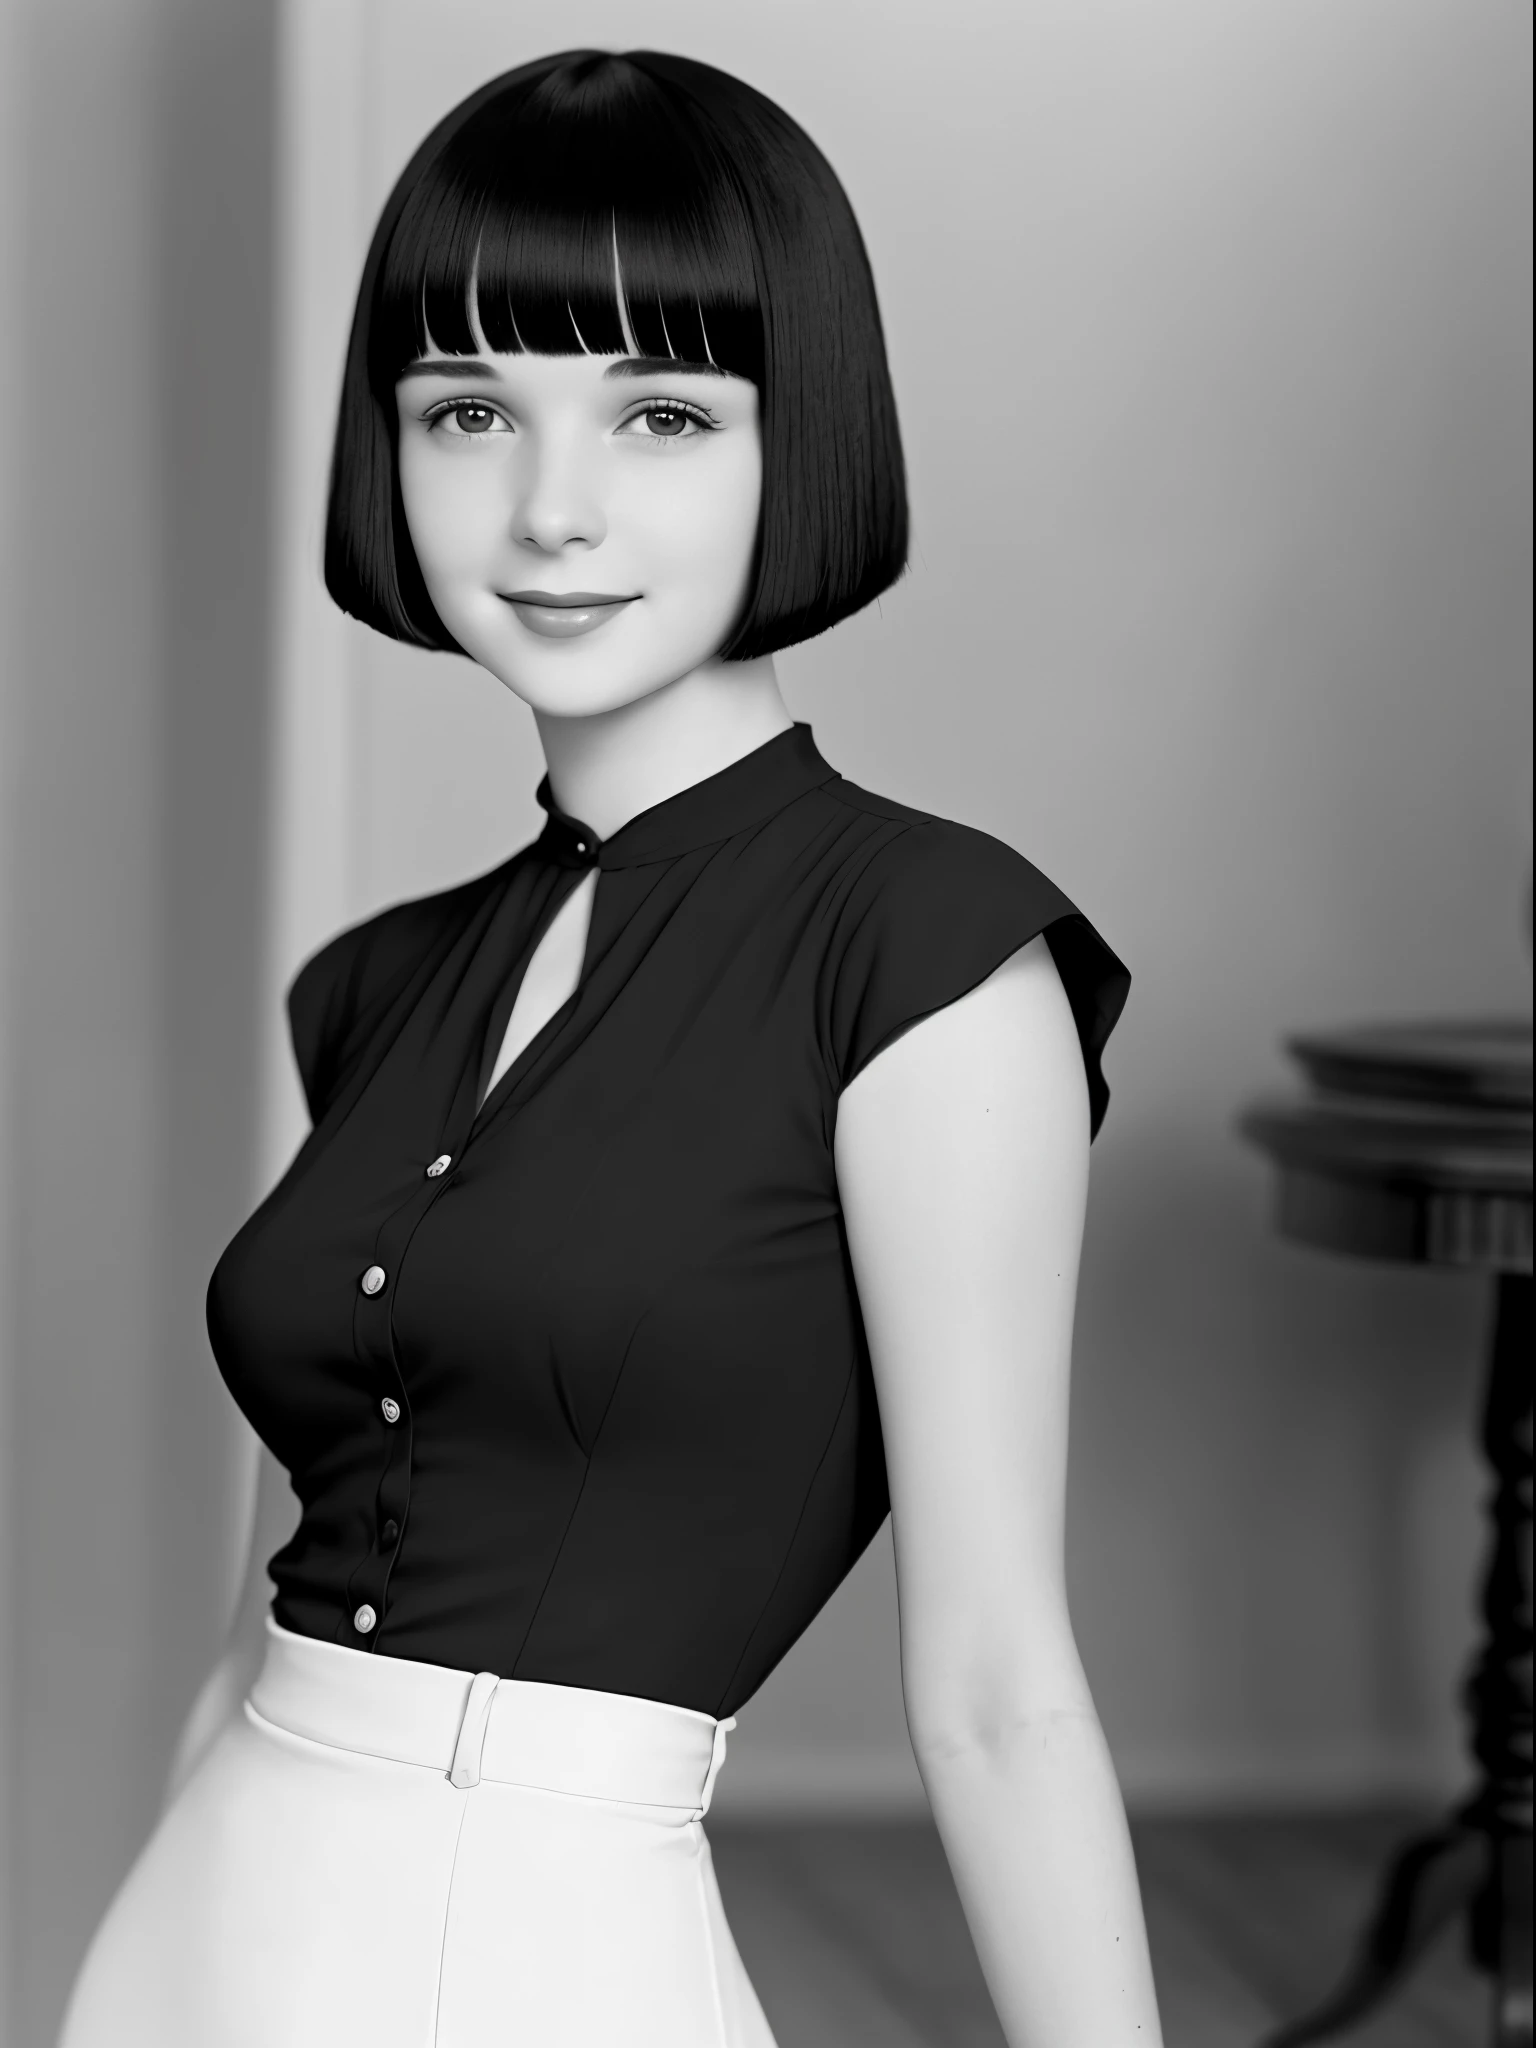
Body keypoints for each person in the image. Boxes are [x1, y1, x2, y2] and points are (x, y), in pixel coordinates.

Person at [56, 48, 1162, 2048]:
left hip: (544, 1940)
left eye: (661, 411)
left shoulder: (926, 958)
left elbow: (998, 1686)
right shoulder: (377, 985)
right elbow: (265, 1611)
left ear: (794, 437)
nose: (550, 508)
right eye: (468, 410)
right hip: (201, 1918)